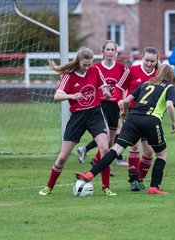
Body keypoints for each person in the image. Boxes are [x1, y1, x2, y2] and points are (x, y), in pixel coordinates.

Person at [75, 64, 175, 195]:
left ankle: (90, 174)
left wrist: (124, 113)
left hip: (133, 119)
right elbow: (169, 105)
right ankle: (154, 187)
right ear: (171, 76)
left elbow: (127, 100)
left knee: (116, 150)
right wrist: (174, 123)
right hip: (151, 121)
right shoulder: (169, 87)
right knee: (161, 155)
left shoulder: (146, 84)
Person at [38, 46, 116, 197]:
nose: (87, 67)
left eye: (89, 64)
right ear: (79, 61)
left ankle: (106, 187)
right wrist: (72, 96)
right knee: (62, 158)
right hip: (77, 117)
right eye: (84, 64)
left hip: (95, 114)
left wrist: (106, 93)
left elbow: (104, 89)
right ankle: (49, 187)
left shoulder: (95, 71)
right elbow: (57, 96)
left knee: (105, 149)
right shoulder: (69, 75)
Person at [77, 40, 128, 167]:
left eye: (112, 50)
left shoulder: (120, 67)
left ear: (116, 52)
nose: (110, 52)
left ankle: (93, 158)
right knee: (104, 136)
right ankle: (104, 165)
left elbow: (123, 86)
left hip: (115, 106)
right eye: (108, 49)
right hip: (101, 104)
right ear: (103, 52)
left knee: (110, 140)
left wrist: (123, 101)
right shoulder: (95, 67)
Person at [116, 47, 159, 191]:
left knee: (149, 152)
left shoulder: (159, 76)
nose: (149, 63)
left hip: (149, 117)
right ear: (142, 57)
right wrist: (120, 102)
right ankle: (133, 180)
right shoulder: (132, 70)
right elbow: (119, 87)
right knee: (134, 146)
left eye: (152, 61)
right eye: (146, 60)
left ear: (156, 60)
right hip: (132, 114)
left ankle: (140, 179)